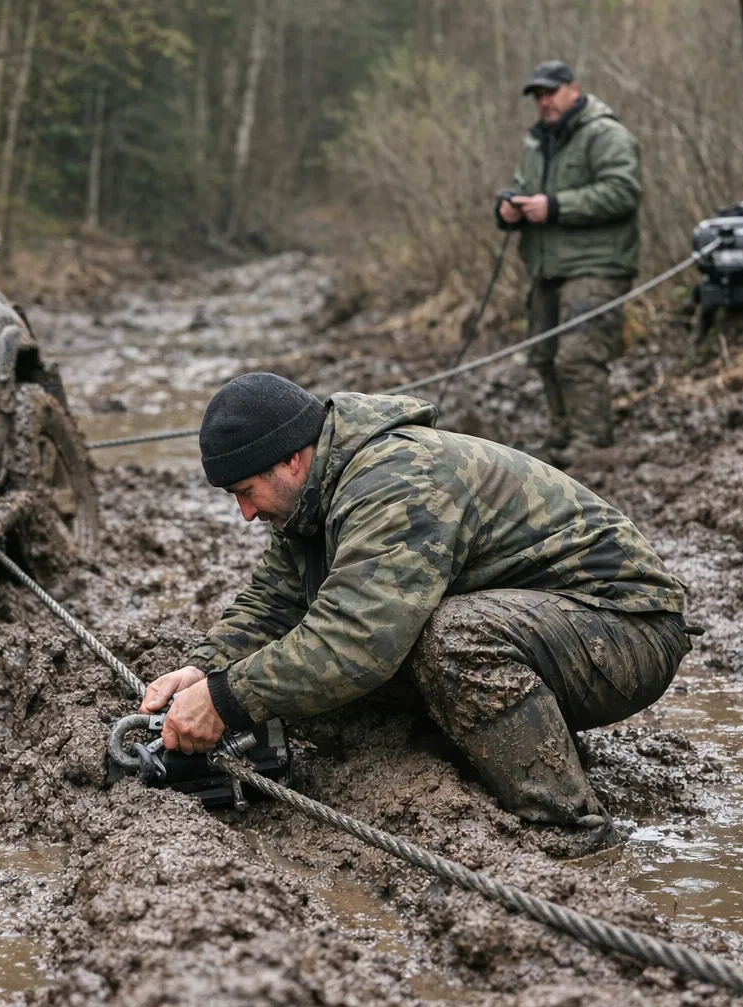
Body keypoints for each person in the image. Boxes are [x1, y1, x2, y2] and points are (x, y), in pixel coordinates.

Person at [142, 373, 696, 842]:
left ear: (291, 460)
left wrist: (225, 701)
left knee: (448, 639)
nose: (244, 513)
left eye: (246, 491)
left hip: (625, 630)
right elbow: (273, 604)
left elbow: (354, 641)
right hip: (554, 629)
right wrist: (205, 668)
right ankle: (481, 754)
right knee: (316, 677)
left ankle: (566, 829)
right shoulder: (314, 495)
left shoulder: (394, 479)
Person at [496, 60, 641, 468]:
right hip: (548, 267)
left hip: (599, 264)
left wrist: (556, 207)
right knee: (543, 356)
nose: (544, 102)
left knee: (577, 356)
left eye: (551, 92)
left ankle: (593, 446)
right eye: (537, 96)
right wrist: (508, 209)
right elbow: (523, 189)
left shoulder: (605, 134)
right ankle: (562, 436)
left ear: (573, 90)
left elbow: (623, 192)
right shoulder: (536, 142)